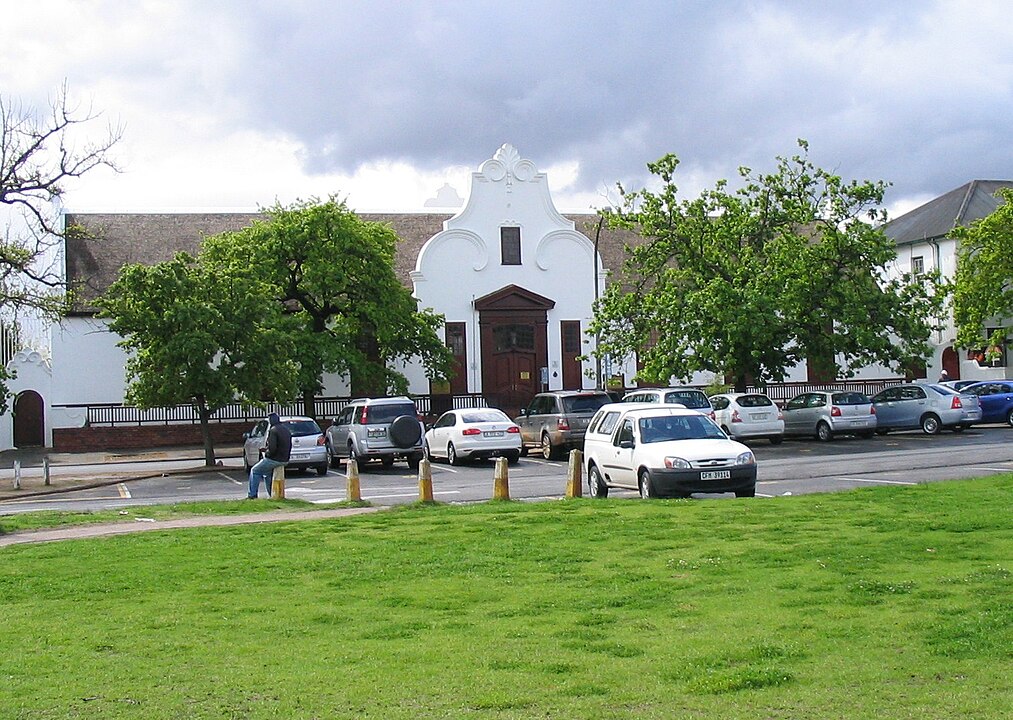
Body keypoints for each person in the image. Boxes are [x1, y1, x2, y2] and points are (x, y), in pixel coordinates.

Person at [247, 413, 292, 499]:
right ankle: (272, 494)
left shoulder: (273, 430)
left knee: (255, 470)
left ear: (271, 420)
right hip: (285, 459)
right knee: (267, 473)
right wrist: (267, 449)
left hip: (275, 459)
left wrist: (266, 453)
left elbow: (272, 449)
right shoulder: (286, 430)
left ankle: (252, 495)